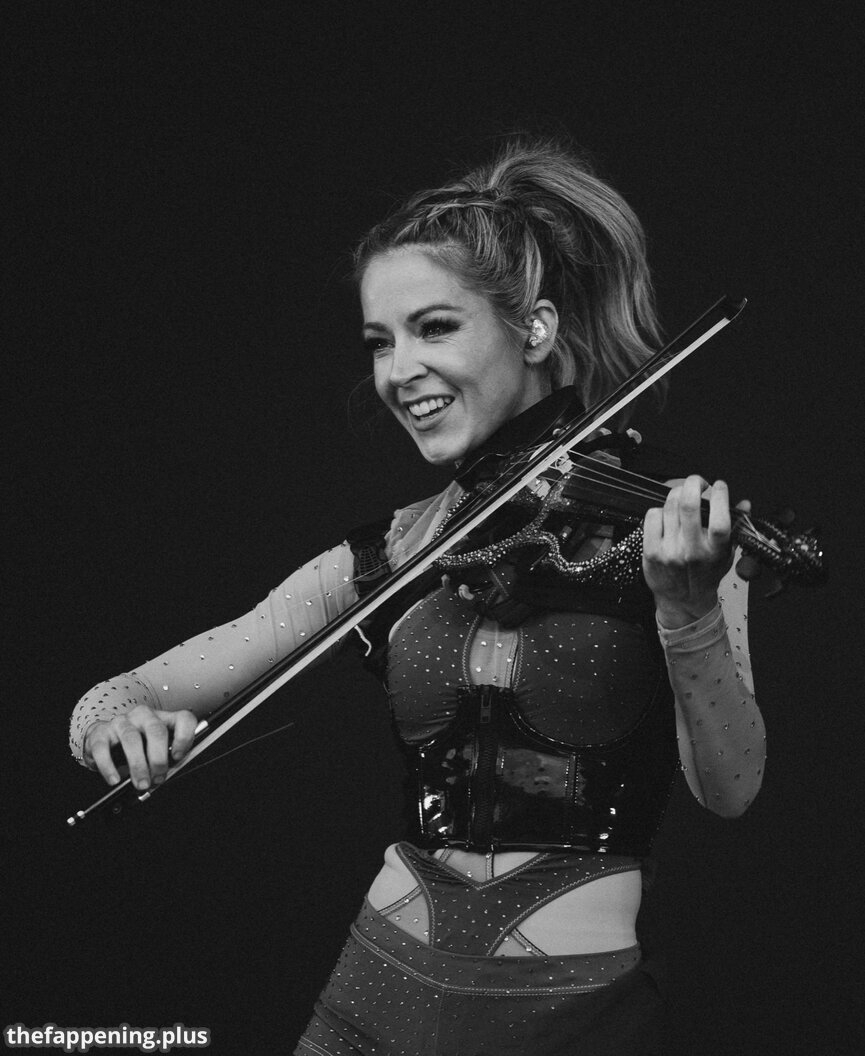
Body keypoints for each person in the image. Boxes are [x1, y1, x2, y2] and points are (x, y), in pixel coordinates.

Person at [69, 137, 766, 1055]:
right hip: (377, 993)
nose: (398, 371)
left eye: (434, 328)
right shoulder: (389, 555)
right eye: (380, 343)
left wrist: (687, 609)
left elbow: (730, 785)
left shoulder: (672, 532)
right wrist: (115, 725)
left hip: (570, 1010)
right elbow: (115, 695)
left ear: (535, 330)